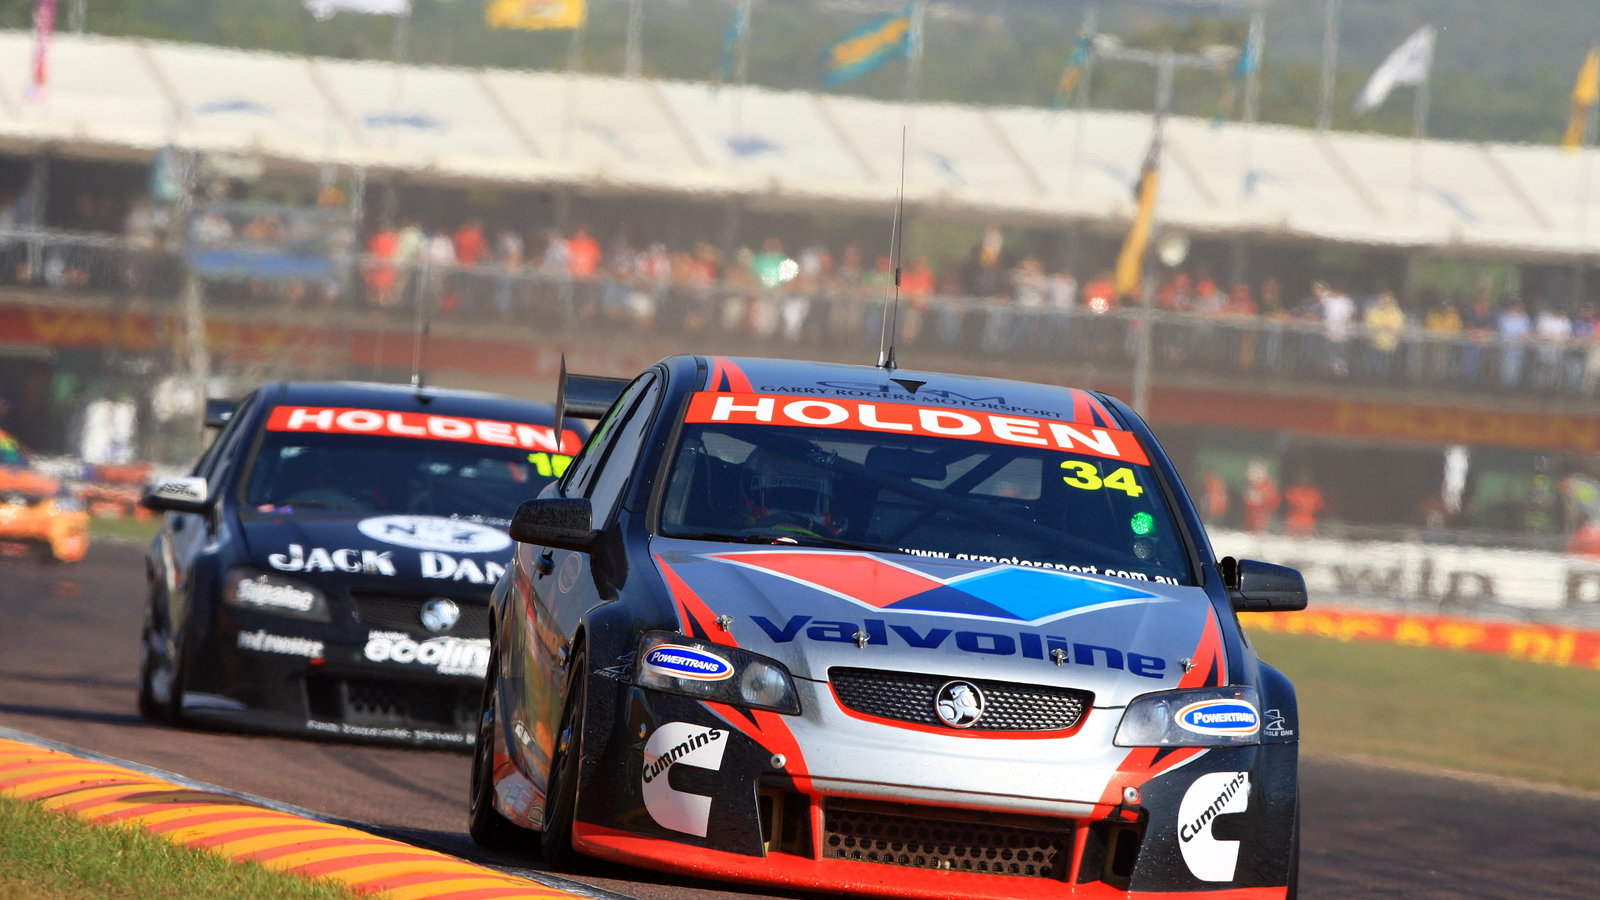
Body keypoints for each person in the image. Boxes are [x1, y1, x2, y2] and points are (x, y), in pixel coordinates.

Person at [739, 446, 844, 539]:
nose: (790, 515)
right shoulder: (726, 533)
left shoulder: (846, 547)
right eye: (780, 498)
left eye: (807, 501)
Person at [1283, 469, 1325, 537]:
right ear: (1298, 478)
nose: (1304, 479)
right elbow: (1288, 505)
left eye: (1306, 477)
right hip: (1294, 522)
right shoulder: (1292, 491)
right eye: (1302, 477)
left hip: (1309, 523)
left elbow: (1320, 508)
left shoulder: (1315, 492)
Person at [1242, 459, 1280, 534]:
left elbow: (1272, 503)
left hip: (1263, 524)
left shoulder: (1269, 487)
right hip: (1248, 523)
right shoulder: (1249, 486)